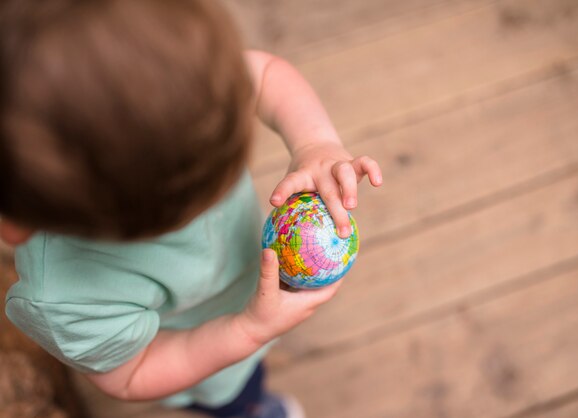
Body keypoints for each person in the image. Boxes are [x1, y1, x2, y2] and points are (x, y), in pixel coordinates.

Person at [0, 1, 382, 417]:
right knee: (241, 397)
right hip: (207, 354)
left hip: (250, 297)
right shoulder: (63, 300)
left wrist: (315, 143)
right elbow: (132, 373)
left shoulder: (170, 82)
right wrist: (245, 331)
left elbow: (266, 75)